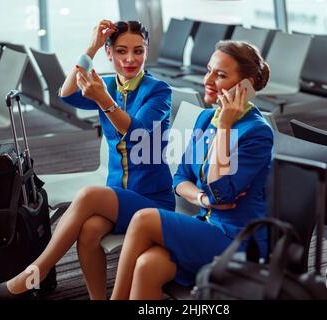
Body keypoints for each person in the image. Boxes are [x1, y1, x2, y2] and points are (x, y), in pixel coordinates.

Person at [0, 20, 175, 300]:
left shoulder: (159, 91)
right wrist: (92, 47)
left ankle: (35, 271)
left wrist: (104, 101)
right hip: (118, 196)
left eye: (138, 51)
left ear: (146, 52)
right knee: (88, 233)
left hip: (152, 200)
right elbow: (66, 93)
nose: (130, 59)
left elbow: (136, 132)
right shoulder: (109, 84)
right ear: (109, 54)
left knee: (87, 195)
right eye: (121, 51)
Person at [110, 40, 274, 299]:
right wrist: (201, 198)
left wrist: (225, 128)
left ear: (247, 84)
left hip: (238, 241)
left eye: (220, 75)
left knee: (143, 219)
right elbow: (180, 178)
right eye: (209, 70)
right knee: (147, 266)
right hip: (207, 225)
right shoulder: (206, 118)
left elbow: (221, 193)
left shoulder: (257, 132)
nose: (208, 79)